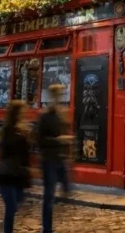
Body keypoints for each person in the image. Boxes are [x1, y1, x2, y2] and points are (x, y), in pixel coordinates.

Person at [38, 84, 73, 233]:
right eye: (58, 94)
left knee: (66, 189)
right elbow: (40, 141)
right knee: (49, 195)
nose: (60, 97)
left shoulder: (61, 114)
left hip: (60, 159)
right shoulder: (44, 116)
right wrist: (59, 140)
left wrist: (68, 153)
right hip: (49, 160)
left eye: (61, 94)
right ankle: (47, 228)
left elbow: (64, 133)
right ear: (52, 96)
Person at [0, 101, 31, 233]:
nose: (25, 113)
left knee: (16, 204)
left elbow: (25, 152)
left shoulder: (23, 128)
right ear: (16, 113)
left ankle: (6, 225)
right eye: (22, 111)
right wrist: (20, 133)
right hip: (6, 173)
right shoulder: (7, 129)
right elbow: (7, 148)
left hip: (19, 174)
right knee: (11, 207)